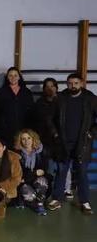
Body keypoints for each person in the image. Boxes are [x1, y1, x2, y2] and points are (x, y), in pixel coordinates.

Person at [49, 73, 97, 214]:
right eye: (70, 83)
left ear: (81, 83)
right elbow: (49, 118)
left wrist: (92, 133)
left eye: (76, 83)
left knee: (82, 173)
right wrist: (55, 133)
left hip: (82, 143)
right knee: (61, 172)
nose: (73, 86)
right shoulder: (60, 98)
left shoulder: (90, 99)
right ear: (67, 84)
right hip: (64, 143)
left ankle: (85, 201)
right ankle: (57, 198)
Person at [0, 67, 34, 147]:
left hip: (24, 130)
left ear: (19, 77)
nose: (13, 77)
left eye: (15, 75)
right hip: (6, 130)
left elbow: (32, 112)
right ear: (7, 78)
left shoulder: (27, 92)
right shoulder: (0, 93)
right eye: (10, 75)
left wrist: (30, 129)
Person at [14, 129, 49, 215]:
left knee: (42, 181)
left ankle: (40, 205)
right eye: (23, 139)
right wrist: (34, 173)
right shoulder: (17, 153)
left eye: (29, 138)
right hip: (23, 183)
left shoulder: (41, 151)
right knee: (29, 194)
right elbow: (19, 173)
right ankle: (27, 201)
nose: (26, 141)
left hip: (35, 181)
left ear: (33, 139)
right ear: (20, 141)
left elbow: (44, 170)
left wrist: (30, 176)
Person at [32, 78, 60, 155]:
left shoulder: (63, 102)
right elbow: (35, 122)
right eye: (47, 87)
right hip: (44, 140)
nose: (49, 88)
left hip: (61, 140)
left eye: (52, 86)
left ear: (56, 88)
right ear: (44, 89)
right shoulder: (39, 103)